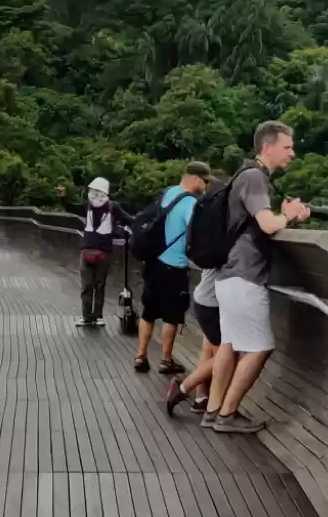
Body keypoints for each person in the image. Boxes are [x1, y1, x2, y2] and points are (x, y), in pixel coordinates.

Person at [204, 121, 310, 434]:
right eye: (288, 146)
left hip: (228, 275)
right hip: (245, 277)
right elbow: (266, 224)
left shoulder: (245, 175)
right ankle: (227, 414)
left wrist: (287, 219)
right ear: (267, 147)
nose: (292, 152)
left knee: (230, 343)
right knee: (260, 347)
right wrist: (288, 215)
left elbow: (259, 226)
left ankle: (213, 410)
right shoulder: (254, 177)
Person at [134, 163, 210, 374]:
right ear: (195, 179)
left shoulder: (168, 193)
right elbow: (197, 233)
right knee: (172, 316)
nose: (206, 186)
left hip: (152, 261)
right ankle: (166, 359)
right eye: (205, 181)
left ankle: (141, 355)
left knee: (148, 312)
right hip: (174, 266)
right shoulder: (190, 203)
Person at [74, 178, 131, 328]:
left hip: (104, 252)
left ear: (105, 193)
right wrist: (63, 198)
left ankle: (97, 316)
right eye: (93, 191)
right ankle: (86, 316)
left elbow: (127, 219)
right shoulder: (87, 206)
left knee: (100, 285)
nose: (94, 194)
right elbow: (72, 208)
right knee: (87, 285)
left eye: (98, 191)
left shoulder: (113, 207)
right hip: (87, 250)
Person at [164, 267, 220, 414]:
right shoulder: (226, 244)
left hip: (205, 298)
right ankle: (184, 387)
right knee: (226, 357)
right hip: (214, 302)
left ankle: (201, 399)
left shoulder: (211, 244)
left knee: (209, 350)